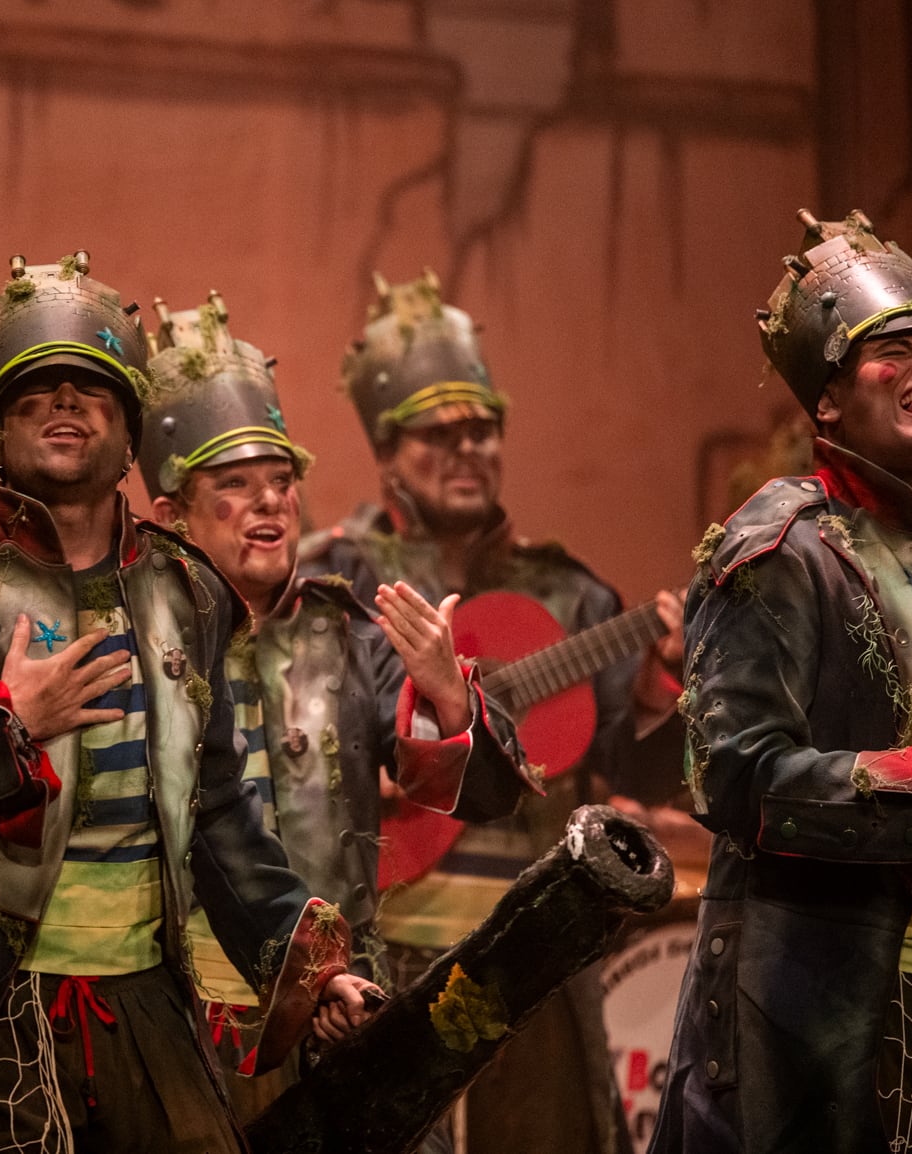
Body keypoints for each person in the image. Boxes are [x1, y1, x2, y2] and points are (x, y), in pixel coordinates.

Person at [0, 253, 364, 1154]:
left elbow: (219, 815)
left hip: (145, 1006)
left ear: (130, 427)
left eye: (89, 389)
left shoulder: (190, 593)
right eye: (34, 392)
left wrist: (306, 957)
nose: (63, 405)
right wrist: (1, 730)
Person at [301, 270, 683, 1153]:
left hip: (534, 950)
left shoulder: (572, 591)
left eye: (483, 430)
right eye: (441, 432)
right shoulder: (332, 580)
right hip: (379, 948)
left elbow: (641, 775)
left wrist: (660, 689)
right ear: (389, 450)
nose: (468, 449)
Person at [136, 293, 531, 1125]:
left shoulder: (348, 633)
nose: (270, 502)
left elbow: (485, 797)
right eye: (235, 487)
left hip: (349, 1010)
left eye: (280, 482)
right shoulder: (136, 640)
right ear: (170, 515)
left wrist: (449, 695)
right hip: (179, 1022)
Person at [652, 210, 912, 1154]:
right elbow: (735, 778)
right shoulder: (779, 548)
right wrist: (909, 778)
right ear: (827, 401)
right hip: (803, 998)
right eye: (889, 349)